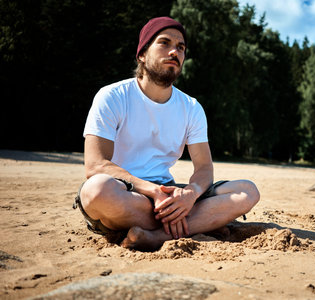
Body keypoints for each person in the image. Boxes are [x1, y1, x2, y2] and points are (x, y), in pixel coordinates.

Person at [73, 16, 260, 251]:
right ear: (142, 54)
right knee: (96, 190)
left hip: (170, 194)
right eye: (164, 43)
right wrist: (153, 192)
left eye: (180, 47)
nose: (174, 52)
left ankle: (156, 236)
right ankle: (196, 224)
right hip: (128, 193)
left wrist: (190, 195)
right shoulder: (112, 96)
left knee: (247, 191)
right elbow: (96, 165)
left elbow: (204, 169)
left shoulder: (191, 107)